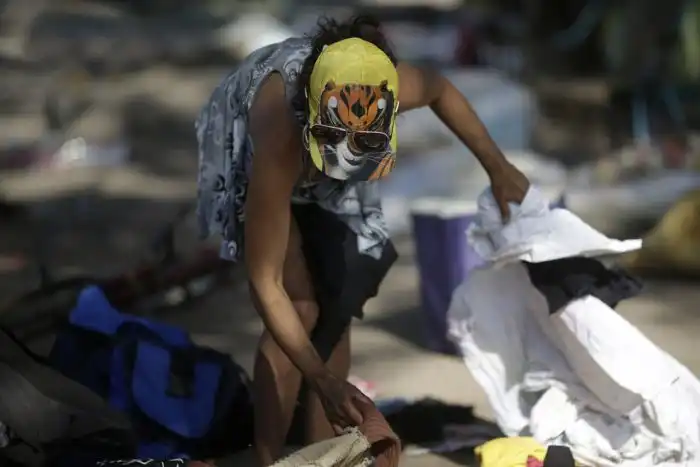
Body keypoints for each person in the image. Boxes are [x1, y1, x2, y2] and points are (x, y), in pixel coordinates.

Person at [195, 15, 530, 465]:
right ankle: (270, 457)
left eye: (365, 141)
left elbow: (442, 90)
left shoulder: (385, 92)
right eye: (335, 140)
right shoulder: (279, 138)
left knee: (339, 302)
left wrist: (499, 169)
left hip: (325, 137)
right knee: (300, 304)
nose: (346, 155)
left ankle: (324, 451)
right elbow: (265, 283)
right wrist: (321, 378)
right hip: (251, 140)